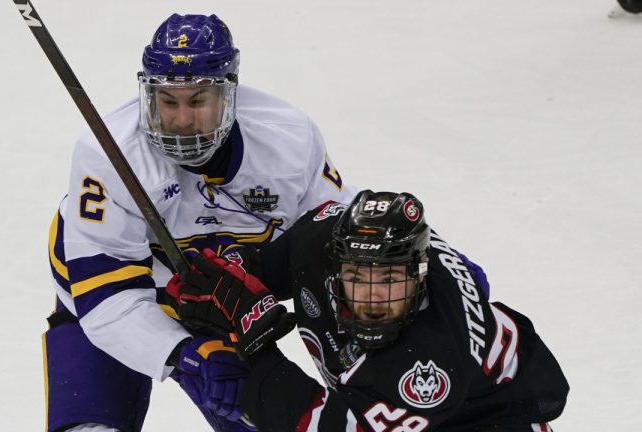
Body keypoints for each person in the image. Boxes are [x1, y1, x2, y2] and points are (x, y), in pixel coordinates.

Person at [43, 13, 355, 432]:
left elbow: (335, 246)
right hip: (111, 293)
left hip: (221, 307)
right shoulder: (109, 156)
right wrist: (187, 352)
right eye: (168, 101)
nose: (181, 120)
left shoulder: (289, 140)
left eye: (197, 101)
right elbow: (107, 300)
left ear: (228, 95)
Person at [169, 190, 570, 431]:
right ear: (335, 264)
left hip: (489, 418)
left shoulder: (431, 361)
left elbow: (322, 425)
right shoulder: (315, 242)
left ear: (420, 275)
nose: (375, 298)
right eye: (358, 277)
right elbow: (253, 272)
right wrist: (217, 287)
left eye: (392, 280)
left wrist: (258, 346)